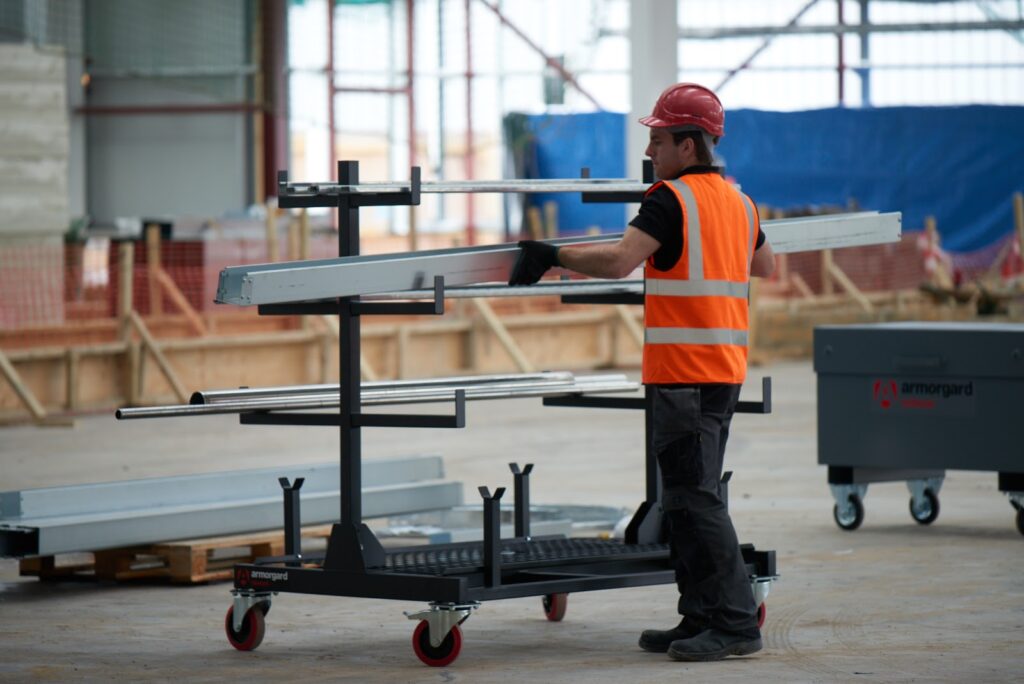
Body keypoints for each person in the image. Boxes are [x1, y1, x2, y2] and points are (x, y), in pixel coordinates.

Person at [508, 82, 775, 662]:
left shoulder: (669, 199)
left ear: (688, 143)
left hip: (682, 373)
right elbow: (765, 264)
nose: (650, 150)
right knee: (685, 498)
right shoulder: (740, 201)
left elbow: (620, 258)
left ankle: (734, 624)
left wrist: (553, 256)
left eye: (658, 139)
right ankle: (699, 615)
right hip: (723, 369)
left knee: (696, 499)